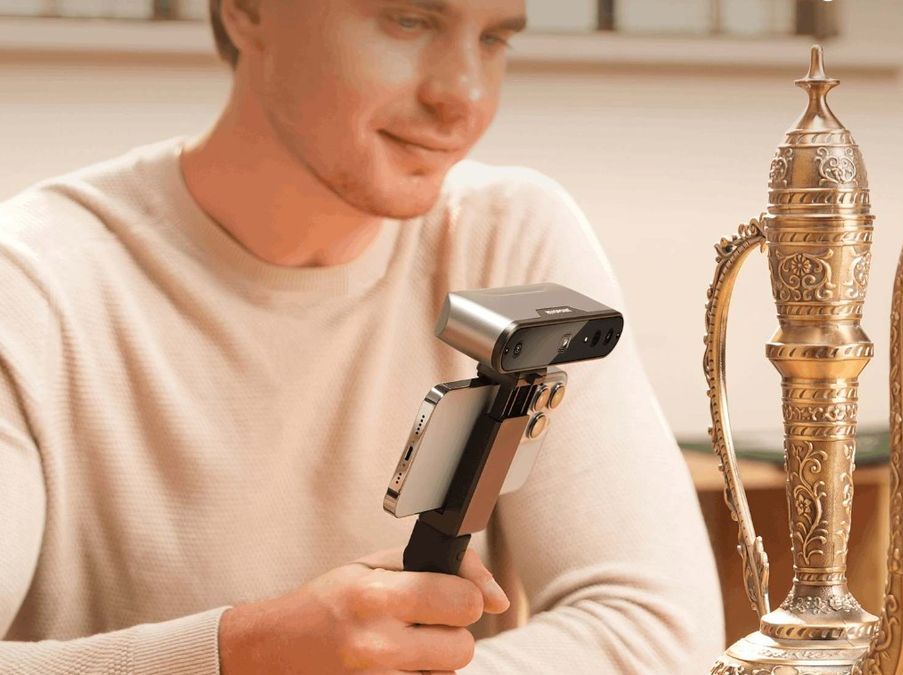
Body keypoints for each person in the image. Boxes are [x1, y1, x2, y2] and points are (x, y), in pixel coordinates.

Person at [0, 0, 723, 672]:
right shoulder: (32, 281)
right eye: (409, 21)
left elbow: (656, 630)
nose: (464, 97)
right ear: (249, 10)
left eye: (494, 37)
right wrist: (242, 651)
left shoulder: (508, 237)